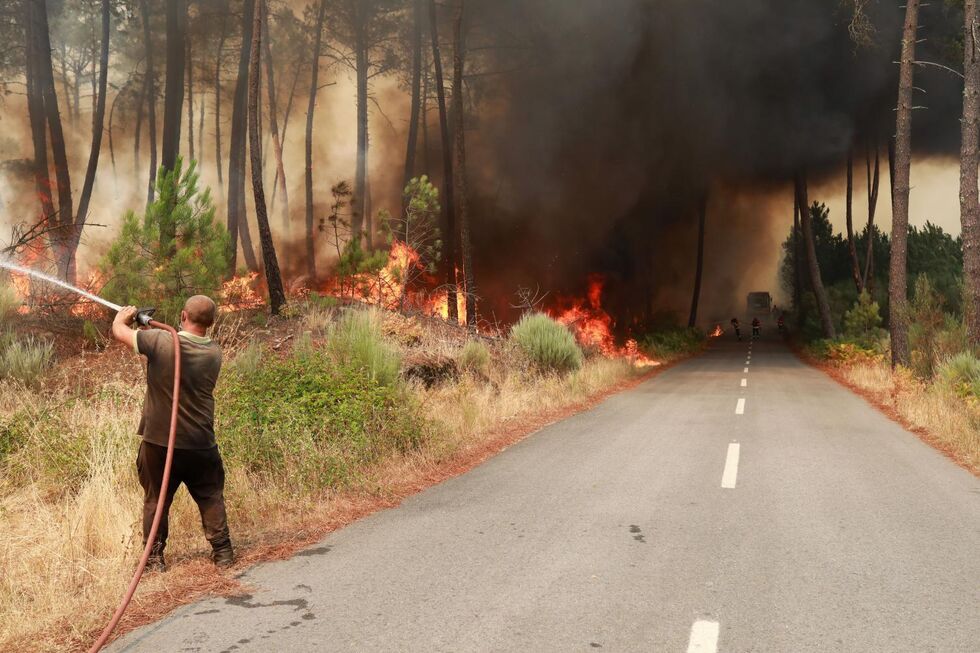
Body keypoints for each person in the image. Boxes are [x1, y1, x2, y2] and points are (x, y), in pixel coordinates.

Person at [111, 296, 233, 571]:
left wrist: (124, 315)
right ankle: (223, 552)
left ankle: (154, 559)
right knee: (210, 494)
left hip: (159, 442)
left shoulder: (161, 341)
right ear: (211, 323)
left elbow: (119, 331)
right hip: (200, 443)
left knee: (156, 500)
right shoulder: (214, 353)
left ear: (183, 315)